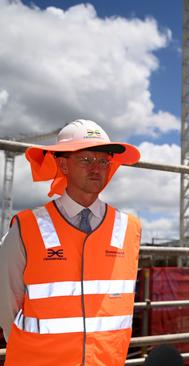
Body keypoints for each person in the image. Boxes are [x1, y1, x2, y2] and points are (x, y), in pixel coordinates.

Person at [0, 119, 141, 366]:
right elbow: (5, 304)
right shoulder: (26, 226)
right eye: (86, 159)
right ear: (63, 164)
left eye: (103, 161)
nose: (96, 167)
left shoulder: (130, 228)